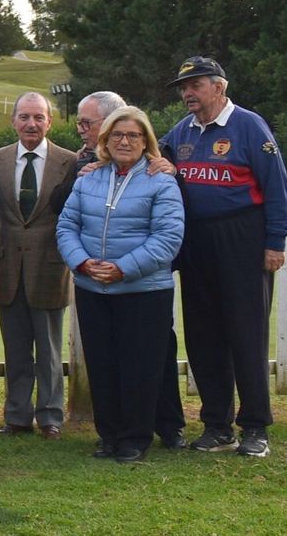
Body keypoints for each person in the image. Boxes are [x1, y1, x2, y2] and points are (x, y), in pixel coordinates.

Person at [160, 56, 287, 458]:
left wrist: (275, 242)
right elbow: (152, 158)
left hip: (242, 236)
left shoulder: (248, 125)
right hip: (197, 240)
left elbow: (276, 186)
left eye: (196, 85)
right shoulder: (182, 131)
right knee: (203, 335)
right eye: (183, 87)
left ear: (219, 87)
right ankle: (217, 426)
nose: (187, 93)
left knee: (245, 333)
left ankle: (255, 426)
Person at [57, 106, 186, 463]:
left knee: (140, 367)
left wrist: (123, 269)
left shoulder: (161, 181)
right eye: (117, 134)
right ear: (105, 140)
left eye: (133, 135)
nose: (124, 141)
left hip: (143, 291)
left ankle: (134, 438)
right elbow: (67, 226)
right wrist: (82, 262)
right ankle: (109, 435)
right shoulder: (88, 178)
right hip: (93, 288)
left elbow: (167, 239)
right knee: (102, 364)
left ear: (146, 141)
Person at [0, 92, 76, 440]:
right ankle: (17, 417)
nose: (31, 124)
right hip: (7, 267)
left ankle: (50, 416)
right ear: (14, 121)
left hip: (50, 267)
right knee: (16, 348)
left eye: (38, 117)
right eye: (24, 117)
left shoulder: (69, 162)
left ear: (49, 121)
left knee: (50, 350)